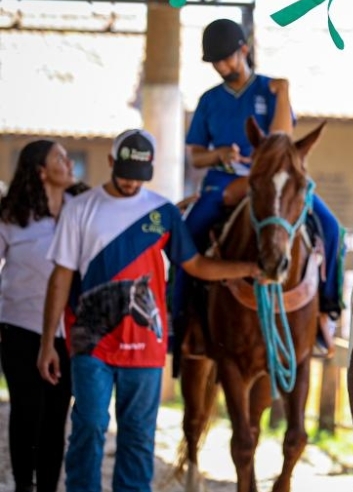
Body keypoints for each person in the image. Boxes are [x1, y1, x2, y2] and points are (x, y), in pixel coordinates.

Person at [36, 129, 259, 492]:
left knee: (138, 436)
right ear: (110, 162)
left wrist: (247, 269)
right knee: (90, 424)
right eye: (123, 173)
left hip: (146, 346)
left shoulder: (163, 212)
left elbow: (196, 266)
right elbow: (59, 279)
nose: (129, 183)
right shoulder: (81, 208)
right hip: (91, 341)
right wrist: (49, 342)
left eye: (138, 176)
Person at [175, 18, 345, 355]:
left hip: (274, 183)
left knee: (332, 228)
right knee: (186, 232)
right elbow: (195, 157)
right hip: (223, 183)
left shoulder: (271, 88)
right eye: (215, 62)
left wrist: (284, 94)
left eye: (226, 58)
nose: (221, 67)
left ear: (244, 50)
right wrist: (218, 154)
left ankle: (327, 310)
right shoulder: (208, 100)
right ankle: (180, 316)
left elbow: (281, 141)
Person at [0, 140, 82, 492]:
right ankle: (23, 485)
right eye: (60, 158)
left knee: (56, 416)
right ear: (41, 171)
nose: (69, 163)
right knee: (26, 411)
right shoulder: (9, 215)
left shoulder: (82, 209)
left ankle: (48, 486)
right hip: (18, 328)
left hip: (68, 332)